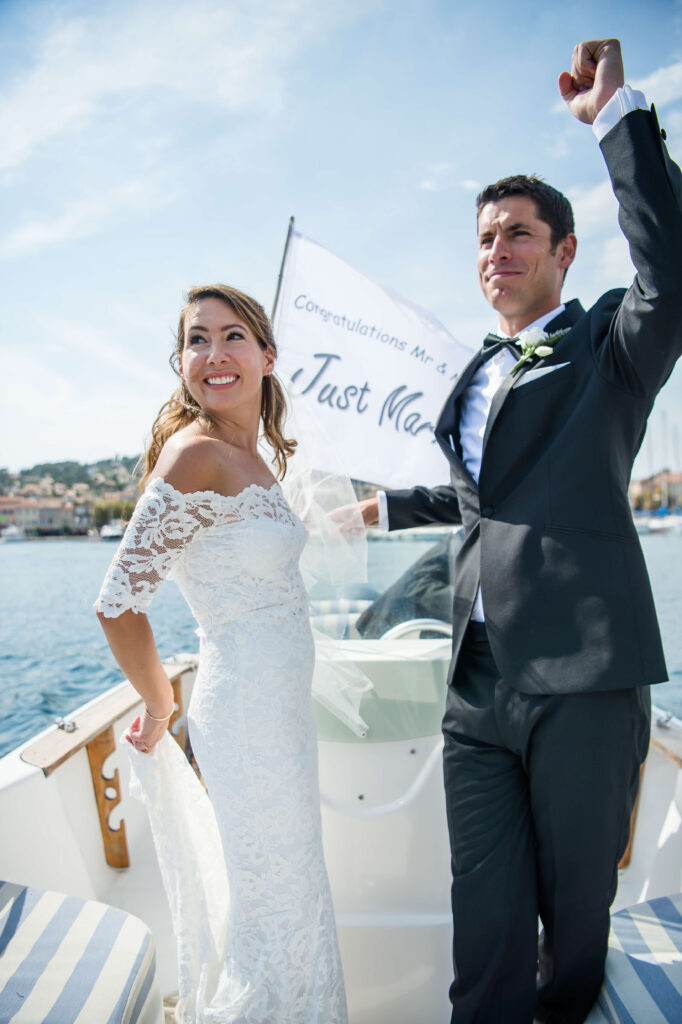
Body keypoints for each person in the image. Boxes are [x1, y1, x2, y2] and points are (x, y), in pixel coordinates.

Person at [348, 38, 682, 1024]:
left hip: (583, 675)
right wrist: (371, 509)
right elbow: (481, 496)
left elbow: (670, 262)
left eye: (519, 234)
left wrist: (619, 120)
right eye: (485, 237)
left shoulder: (609, 345)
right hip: (473, 684)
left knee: (573, 918)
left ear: (563, 251)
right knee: (481, 913)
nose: (497, 252)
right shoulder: (470, 374)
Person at [95, 284, 347, 1024]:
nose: (214, 354)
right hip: (245, 721)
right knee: (275, 903)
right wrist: (158, 700)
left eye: (232, 336)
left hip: (278, 717)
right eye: (196, 340)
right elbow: (117, 603)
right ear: (180, 363)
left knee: (292, 893)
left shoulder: (254, 458)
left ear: (267, 356)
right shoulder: (195, 454)